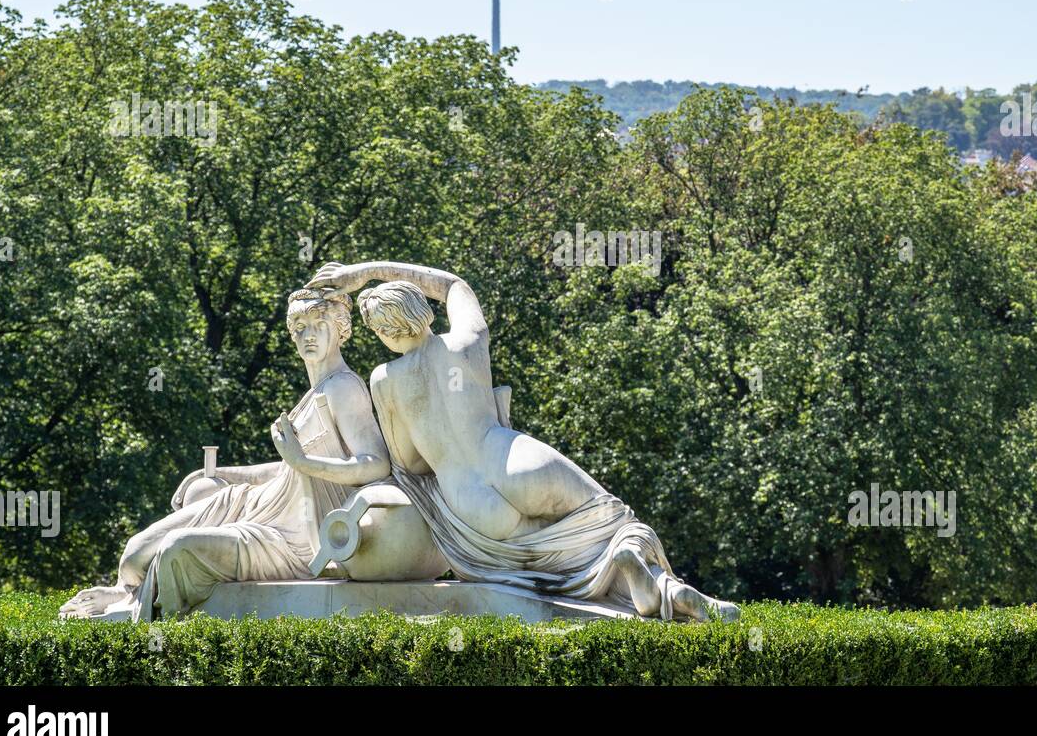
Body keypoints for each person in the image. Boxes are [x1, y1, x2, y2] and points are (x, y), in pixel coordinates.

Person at [305, 260, 738, 622]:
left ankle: (633, 583)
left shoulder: (385, 380)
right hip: (512, 458)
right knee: (611, 520)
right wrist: (364, 272)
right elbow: (453, 284)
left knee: (548, 557)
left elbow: (410, 463)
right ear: (423, 310)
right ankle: (655, 580)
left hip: (469, 501)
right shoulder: (467, 343)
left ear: (382, 332)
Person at [60, 289, 395, 620]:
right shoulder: (316, 392)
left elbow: (375, 464)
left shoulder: (344, 388)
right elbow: (288, 473)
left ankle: (132, 605)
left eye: (318, 325)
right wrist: (228, 474)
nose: (308, 335)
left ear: (340, 329)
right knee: (134, 553)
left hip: (294, 541)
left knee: (177, 548)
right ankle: (127, 590)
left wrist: (303, 462)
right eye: (300, 328)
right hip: (260, 504)